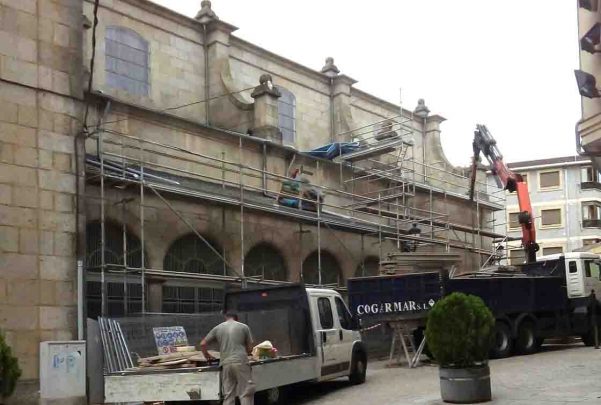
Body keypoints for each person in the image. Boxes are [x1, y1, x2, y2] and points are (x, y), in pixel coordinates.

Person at [201, 312, 255, 405]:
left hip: (225, 363)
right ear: (236, 318)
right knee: (245, 393)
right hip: (240, 362)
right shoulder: (244, 327)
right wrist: (246, 352)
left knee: (228, 395)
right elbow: (250, 348)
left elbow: (203, 344)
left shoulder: (218, 328)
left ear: (226, 318)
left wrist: (207, 355)